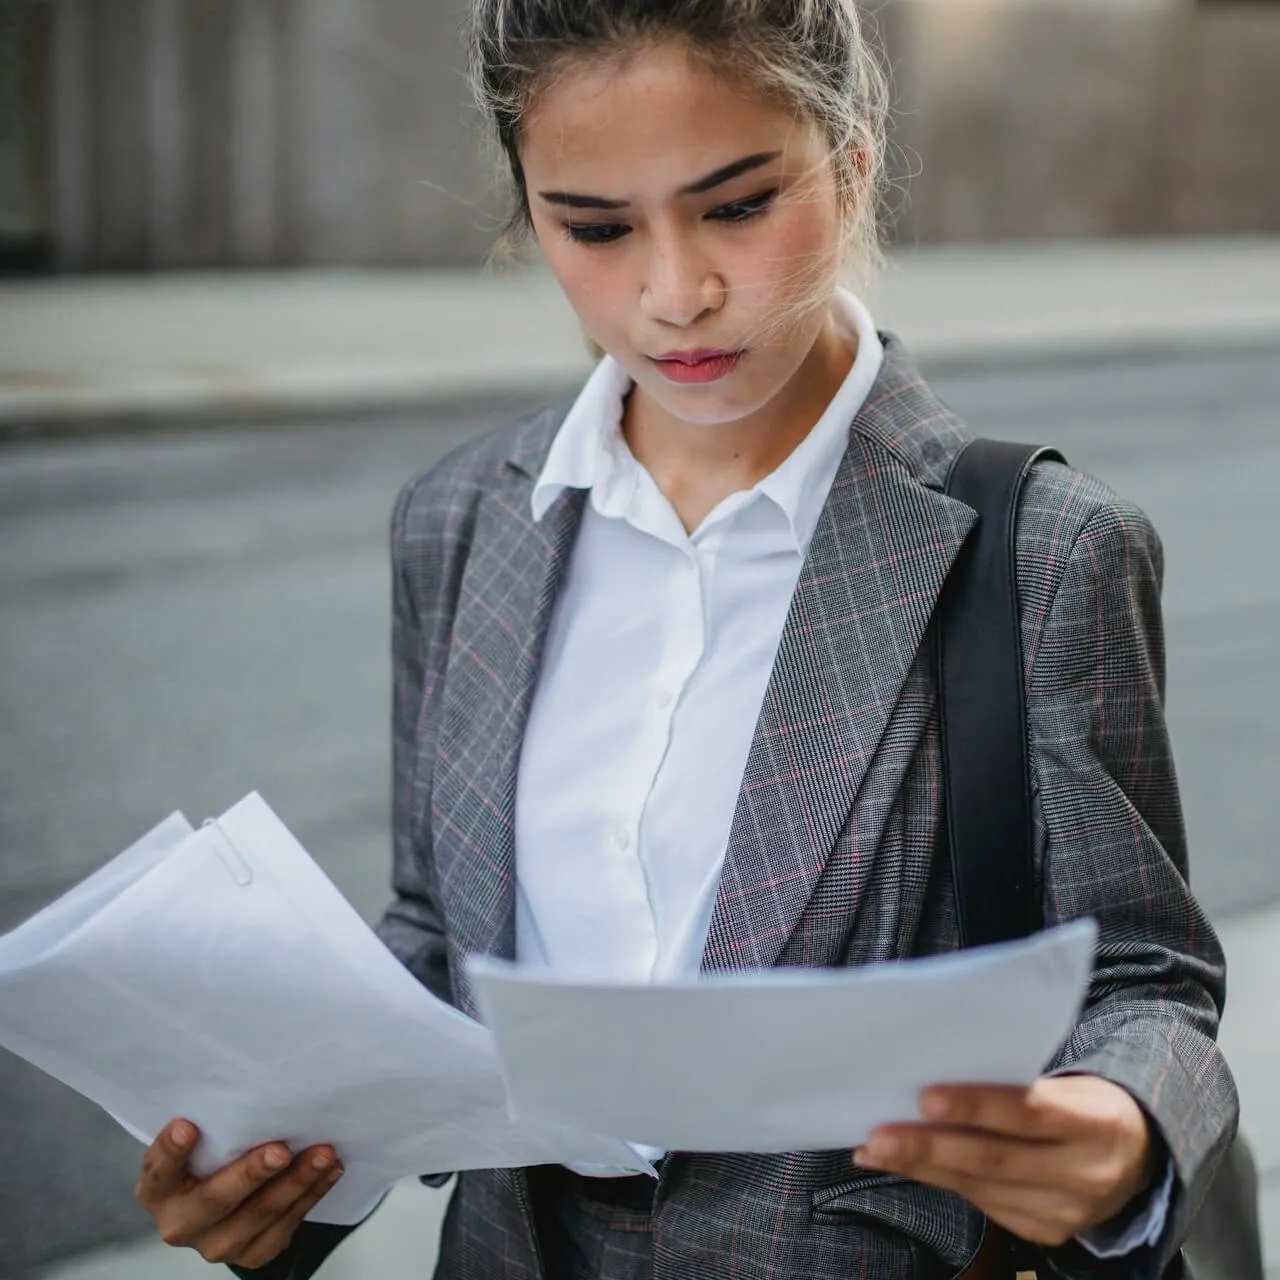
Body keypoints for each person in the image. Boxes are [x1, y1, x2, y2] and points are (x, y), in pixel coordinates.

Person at [133, 1, 1238, 1276]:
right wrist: (280, 1166)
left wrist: (1116, 1126)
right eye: (595, 227)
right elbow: (441, 927)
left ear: (852, 157)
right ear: (527, 210)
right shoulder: (459, 519)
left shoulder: (1042, 546)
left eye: (736, 205)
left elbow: (1143, 974)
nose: (675, 293)